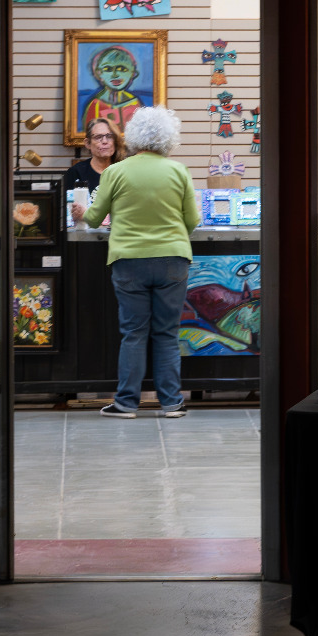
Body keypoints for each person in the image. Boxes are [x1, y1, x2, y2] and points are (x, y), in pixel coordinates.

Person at [85, 105, 201, 419]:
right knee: (166, 333)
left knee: (134, 333)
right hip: (172, 261)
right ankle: (171, 403)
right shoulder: (178, 171)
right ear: (168, 137)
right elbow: (193, 219)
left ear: (133, 136)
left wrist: (80, 212)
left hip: (129, 261)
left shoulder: (115, 172)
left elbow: (95, 219)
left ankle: (125, 404)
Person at [65, 117, 125, 194]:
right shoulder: (76, 172)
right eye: (98, 137)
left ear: (115, 142)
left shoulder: (124, 172)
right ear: (88, 143)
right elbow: (69, 205)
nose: (104, 141)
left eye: (109, 136)